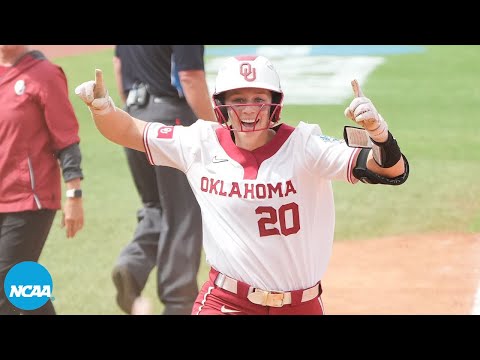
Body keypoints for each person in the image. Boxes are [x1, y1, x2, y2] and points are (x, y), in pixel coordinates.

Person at [75, 55, 409, 315]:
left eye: (258, 98)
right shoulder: (200, 142)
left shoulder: (306, 145)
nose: (249, 109)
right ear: (222, 105)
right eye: (238, 100)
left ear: (274, 102)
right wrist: (102, 108)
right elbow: (130, 131)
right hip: (226, 301)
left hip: (300, 305)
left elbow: (392, 170)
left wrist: (379, 133)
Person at [110, 45, 216, 315]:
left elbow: (119, 69)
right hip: (171, 119)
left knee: (154, 205)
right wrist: (217, 129)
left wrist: (138, 122)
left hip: (133, 118)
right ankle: (178, 302)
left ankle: (132, 267)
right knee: (182, 212)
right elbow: (190, 78)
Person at [0, 45, 84, 315]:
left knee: (5, 284)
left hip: (30, 200)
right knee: (23, 285)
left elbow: (67, 140)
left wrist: (74, 194)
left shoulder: (45, 75)